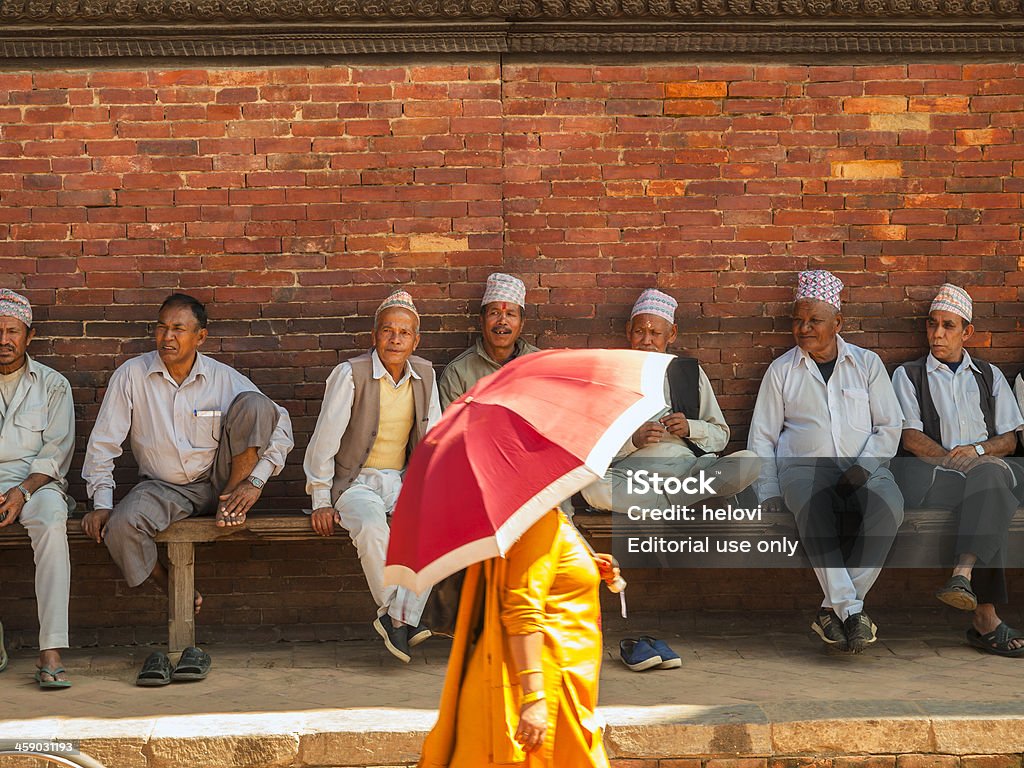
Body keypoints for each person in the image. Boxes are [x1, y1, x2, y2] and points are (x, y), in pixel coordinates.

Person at [81, 293, 293, 681]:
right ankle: (169, 586)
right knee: (122, 526)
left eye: (178, 329)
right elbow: (103, 444)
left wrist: (254, 483)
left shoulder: (222, 377)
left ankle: (233, 504)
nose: (167, 337)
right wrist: (101, 501)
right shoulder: (132, 375)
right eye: (161, 327)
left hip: (220, 483)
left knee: (257, 405)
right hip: (162, 488)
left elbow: (281, 426)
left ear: (201, 337)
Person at [747, 270, 905, 653]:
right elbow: (762, 437)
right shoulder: (782, 370)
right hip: (802, 469)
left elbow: (890, 425)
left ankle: (829, 609)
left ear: (838, 323)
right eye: (798, 320)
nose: (803, 328)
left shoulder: (867, 365)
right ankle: (851, 611)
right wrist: (767, 489)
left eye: (814, 321)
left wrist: (863, 467)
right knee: (815, 509)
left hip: (864, 466)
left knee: (890, 509)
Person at [304, 289, 442, 663]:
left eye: (404, 332)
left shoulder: (426, 375)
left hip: (402, 481)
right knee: (371, 526)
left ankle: (397, 619)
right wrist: (320, 498)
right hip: (355, 482)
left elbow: (434, 442)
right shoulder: (351, 374)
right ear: (374, 335)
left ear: (416, 339)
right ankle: (404, 616)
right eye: (387, 331)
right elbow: (323, 442)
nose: (395, 339)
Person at [418, 507, 615, 768]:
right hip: (541, 686)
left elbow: (543, 580)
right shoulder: (538, 520)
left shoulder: (547, 518)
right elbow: (523, 610)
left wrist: (587, 568)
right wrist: (534, 698)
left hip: (557, 682)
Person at [893, 283, 1024, 657]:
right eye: (932, 324)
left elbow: (1011, 439)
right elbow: (910, 437)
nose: (937, 334)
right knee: (989, 493)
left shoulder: (989, 375)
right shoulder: (909, 375)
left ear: (967, 332)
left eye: (948, 326)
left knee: (989, 481)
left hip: (990, 469)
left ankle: (963, 577)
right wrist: (953, 460)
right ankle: (985, 617)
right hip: (938, 477)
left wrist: (979, 451)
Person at [581, 288, 759, 516]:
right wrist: (634, 441)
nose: (646, 340)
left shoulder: (689, 374)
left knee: (749, 462)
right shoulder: (612, 375)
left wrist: (690, 428)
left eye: (655, 333)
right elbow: (595, 448)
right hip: (633, 475)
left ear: (672, 333)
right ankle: (682, 502)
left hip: (688, 471)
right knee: (592, 487)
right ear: (628, 331)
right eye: (639, 332)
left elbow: (720, 436)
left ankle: (664, 502)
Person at [0, 290, 75, 689]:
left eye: (13, 331)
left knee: (50, 520)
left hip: (36, 482)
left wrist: (22, 492)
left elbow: (56, 450)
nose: (4, 339)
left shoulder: (52, 385)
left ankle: (50, 650)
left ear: (30, 336)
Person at [438, 273, 539, 409]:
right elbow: (451, 427)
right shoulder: (458, 373)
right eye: (494, 313)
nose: (502, 321)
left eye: (510, 314)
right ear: (482, 320)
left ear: (521, 323)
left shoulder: (540, 366)